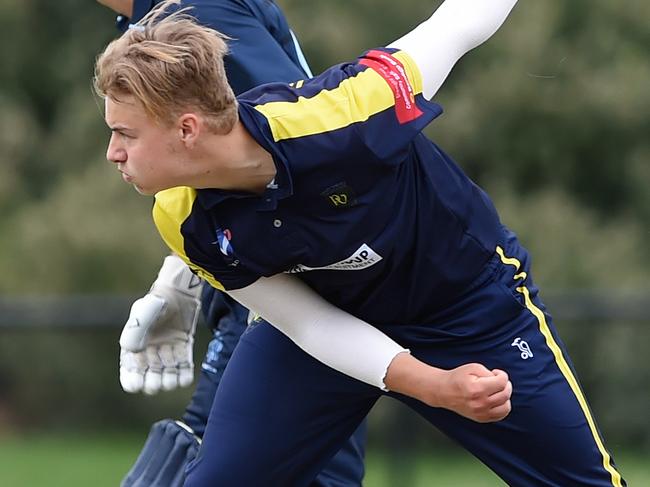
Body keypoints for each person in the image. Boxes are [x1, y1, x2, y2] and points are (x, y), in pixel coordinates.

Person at [94, 0, 628, 485]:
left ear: (188, 130)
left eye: (125, 134)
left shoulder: (348, 111)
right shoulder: (180, 215)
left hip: (466, 307)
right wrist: (433, 385)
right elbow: (309, 324)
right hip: (323, 323)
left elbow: (459, 23)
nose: (113, 153)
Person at [96, 1, 366, 486]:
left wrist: (188, 268)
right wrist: (185, 269)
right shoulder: (164, 17)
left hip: (288, 293)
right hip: (272, 286)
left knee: (202, 457)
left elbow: (299, 142)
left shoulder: (199, 9)